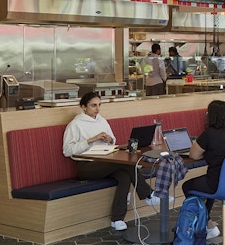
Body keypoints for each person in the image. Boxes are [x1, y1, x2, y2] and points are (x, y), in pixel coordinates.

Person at [58, 92, 155, 231]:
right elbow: (67, 150)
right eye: (93, 105)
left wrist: (110, 140)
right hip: (86, 166)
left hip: (106, 162)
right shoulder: (75, 124)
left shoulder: (102, 121)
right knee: (127, 165)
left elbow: (113, 141)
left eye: (99, 105)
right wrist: (91, 139)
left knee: (124, 175)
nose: (97, 109)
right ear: (83, 107)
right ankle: (148, 194)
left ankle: (117, 219)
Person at [182, 101, 225, 240]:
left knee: (188, 186)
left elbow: (193, 155)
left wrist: (207, 152)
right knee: (209, 183)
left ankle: (206, 224)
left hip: (220, 185)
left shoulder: (209, 134)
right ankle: (207, 222)